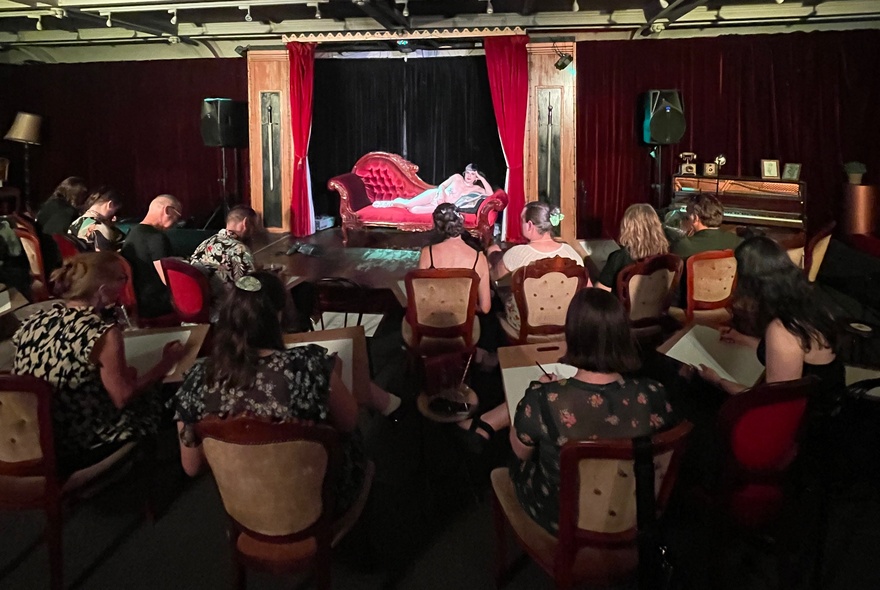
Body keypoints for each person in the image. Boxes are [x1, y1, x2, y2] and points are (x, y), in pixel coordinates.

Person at [173, 271, 397, 512]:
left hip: (247, 508)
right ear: (278, 315)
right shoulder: (310, 367)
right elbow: (349, 421)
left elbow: (191, 466)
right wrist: (331, 377)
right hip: (317, 503)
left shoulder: (196, 380)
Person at [509, 288, 675, 534]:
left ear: (572, 335)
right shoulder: (655, 393)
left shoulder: (545, 399)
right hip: (634, 517)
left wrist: (532, 396)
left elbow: (520, 451)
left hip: (564, 520)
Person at [12, 252, 183, 475]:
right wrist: (164, 363)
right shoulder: (102, 333)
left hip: (34, 433)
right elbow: (122, 397)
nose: (125, 285)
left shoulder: (35, 321)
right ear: (102, 290)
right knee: (159, 392)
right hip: (80, 442)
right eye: (122, 279)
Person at [697, 236, 843, 399]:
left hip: (811, 414)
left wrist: (719, 381)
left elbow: (773, 400)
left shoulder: (783, 329)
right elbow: (787, 353)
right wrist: (741, 338)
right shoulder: (804, 300)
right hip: (825, 399)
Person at [486, 201, 584, 334]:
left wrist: (491, 255)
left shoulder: (518, 253)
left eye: (522, 220)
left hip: (525, 327)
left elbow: (493, 276)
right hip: (565, 324)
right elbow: (585, 288)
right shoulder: (571, 254)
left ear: (530, 225)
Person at [417, 203, 491, 314]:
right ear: (460, 223)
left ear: (438, 227)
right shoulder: (479, 258)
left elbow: (420, 298)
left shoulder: (428, 253)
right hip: (463, 326)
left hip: (432, 322)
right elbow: (485, 308)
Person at [120, 194, 182, 318]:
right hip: (157, 306)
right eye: (178, 216)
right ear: (167, 211)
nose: (177, 222)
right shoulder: (156, 238)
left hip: (138, 303)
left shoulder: (133, 233)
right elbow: (168, 280)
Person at [596, 203, 670, 293]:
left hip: (624, 307)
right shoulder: (667, 257)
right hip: (659, 306)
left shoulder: (619, 258)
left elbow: (601, 292)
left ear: (627, 228)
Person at [372, 164, 493, 215]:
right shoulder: (457, 177)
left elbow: (490, 194)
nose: (468, 175)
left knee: (414, 210)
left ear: (476, 177)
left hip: (441, 207)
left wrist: (481, 178)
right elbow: (442, 186)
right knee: (409, 204)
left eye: (472, 174)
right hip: (435, 195)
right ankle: (389, 203)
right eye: (467, 172)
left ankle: (400, 202)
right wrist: (441, 194)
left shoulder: (476, 188)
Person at [189, 205, 258, 290]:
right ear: (246, 223)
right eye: (254, 226)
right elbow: (251, 288)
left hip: (201, 298)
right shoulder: (240, 249)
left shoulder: (205, 243)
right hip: (224, 301)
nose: (254, 231)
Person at [670, 194, 741, 260]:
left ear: (695, 218)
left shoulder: (683, 246)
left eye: (687, 216)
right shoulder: (738, 242)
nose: (685, 218)